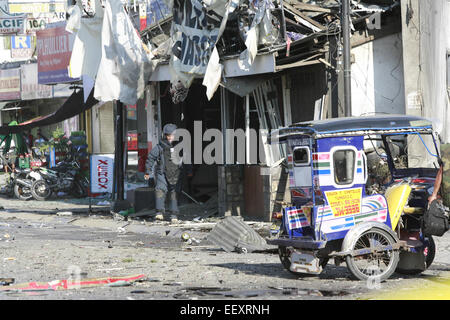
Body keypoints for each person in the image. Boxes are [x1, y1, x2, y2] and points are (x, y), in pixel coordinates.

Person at [144, 123, 183, 221]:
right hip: (162, 173)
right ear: (165, 135)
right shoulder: (160, 147)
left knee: (174, 192)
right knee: (160, 190)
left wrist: (189, 170)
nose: (170, 138)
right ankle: (159, 212)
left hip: (176, 173)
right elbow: (151, 158)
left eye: (172, 136)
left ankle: (174, 215)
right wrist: (148, 171)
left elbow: (186, 160)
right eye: (168, 136)